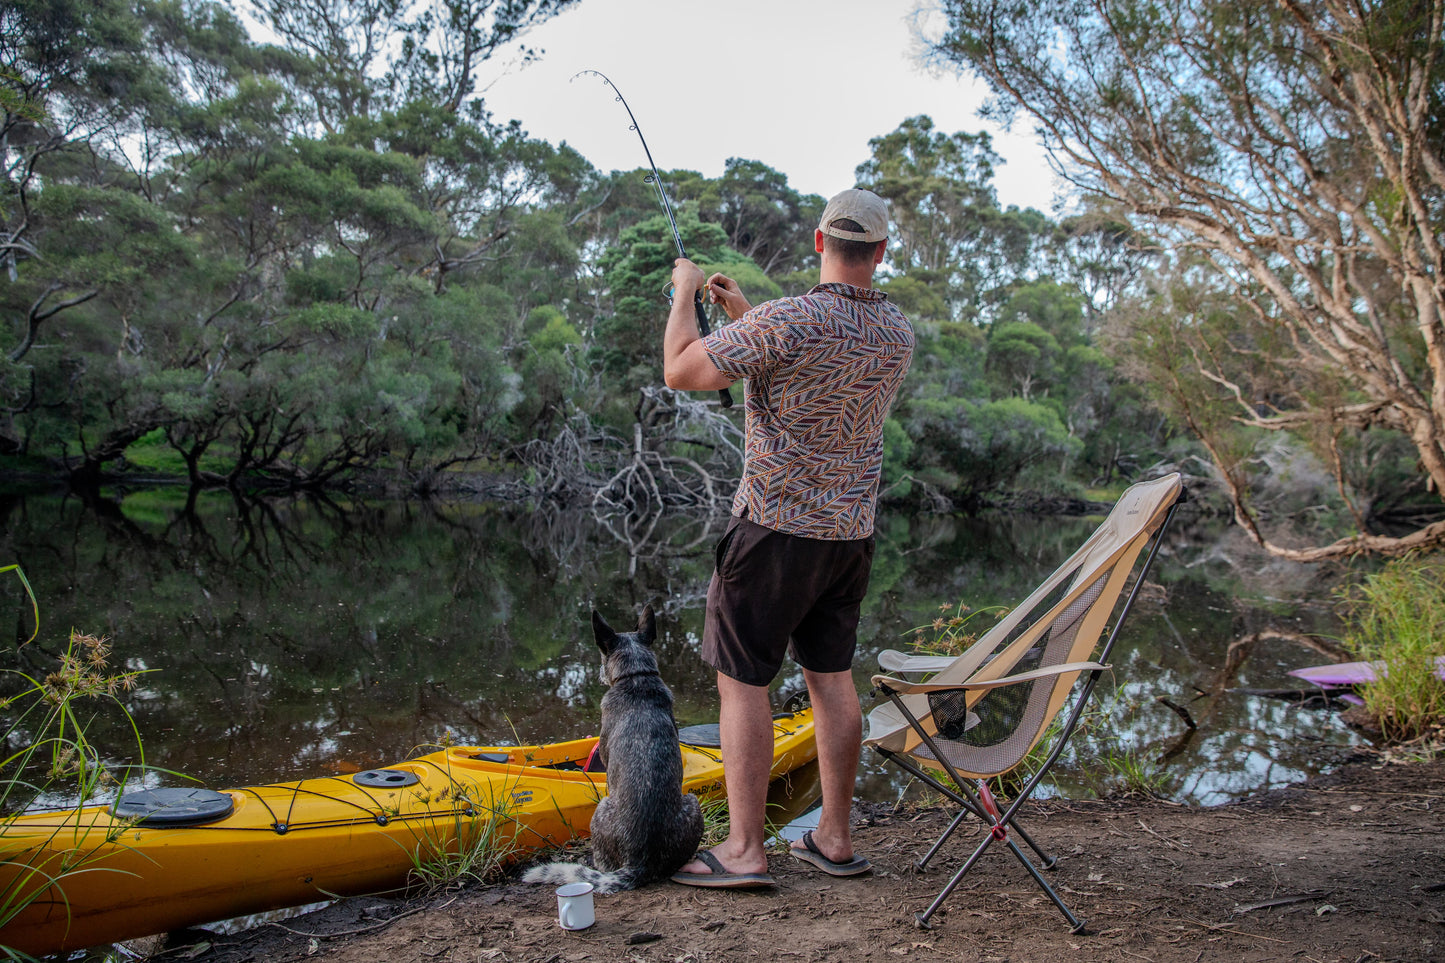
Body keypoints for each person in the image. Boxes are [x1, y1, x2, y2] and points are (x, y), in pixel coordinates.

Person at [661, 188, 914, 887]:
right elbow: (820, 376)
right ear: (881, 252)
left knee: (743, 685)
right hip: (848, 539)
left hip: (772, 534)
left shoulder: (788, 320)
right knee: (831, 680)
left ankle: (743, 849)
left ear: (817, 241)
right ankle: (834, 836)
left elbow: (679, 370)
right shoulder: (895, 332)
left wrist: (684, 293)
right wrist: (744, 318)